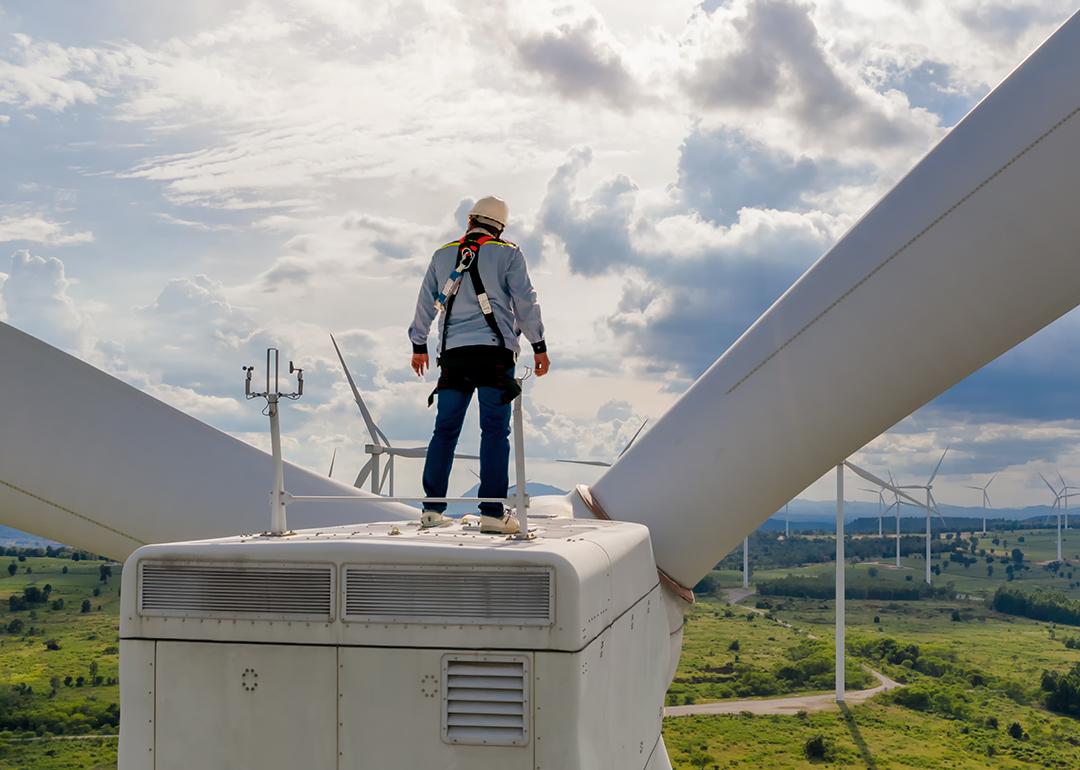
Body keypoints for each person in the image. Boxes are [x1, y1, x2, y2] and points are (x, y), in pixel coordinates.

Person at [408, 196, 549, 534]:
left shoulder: (442, 254)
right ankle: (492, 512)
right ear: (499, 226)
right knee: (495, 432)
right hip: (494, 355)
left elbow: (426, 300)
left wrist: (418, 345)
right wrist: (539, 345)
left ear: (470, 221)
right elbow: (525, 301)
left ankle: (431, 509)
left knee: (444, 431)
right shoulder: (508, 253)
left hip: (453, 356)